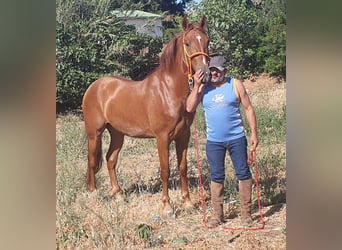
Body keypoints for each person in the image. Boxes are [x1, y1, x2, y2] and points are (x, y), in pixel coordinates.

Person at [186, 55, 258, 228]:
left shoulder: (235, 84)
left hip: (236, 138)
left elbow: (248, 108)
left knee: (243, 173)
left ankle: (246, 215)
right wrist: (196, 85)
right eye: (212, 70)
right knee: (216, 176)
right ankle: (217, 216)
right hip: (214, 142)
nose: (214, 73)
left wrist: (254, 133)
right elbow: (189, 107)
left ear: (225, 70)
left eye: (217, 70)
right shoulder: (204, 88)